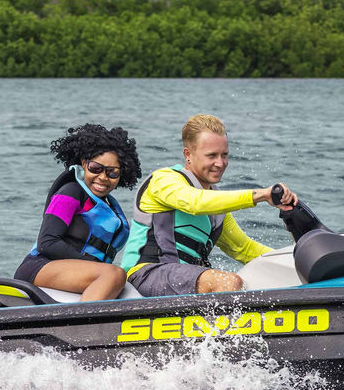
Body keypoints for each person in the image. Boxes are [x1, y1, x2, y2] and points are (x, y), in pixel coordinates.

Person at [121, 114, 297, 296]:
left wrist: (296, 261)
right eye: (211, 155)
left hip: (184, 281)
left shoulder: (216, 209)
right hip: (145, 276)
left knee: (256, 283)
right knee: (228, 282)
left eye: (224, 155)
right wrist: (260, 195)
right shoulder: (164, 180)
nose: (220, 163)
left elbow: (244, 249)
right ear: (188, 154)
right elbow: (195, 203)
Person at [15, 124, 142, 301]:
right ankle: (81, 326)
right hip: (40, 267)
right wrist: (93, 264)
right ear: (83, 163)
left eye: (112, 172)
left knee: (128, 288)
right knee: (114, 275)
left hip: (79, 272)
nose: (103, 177)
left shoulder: (110, 206)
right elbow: (47, 243)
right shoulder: (70, 192)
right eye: (96, 168)